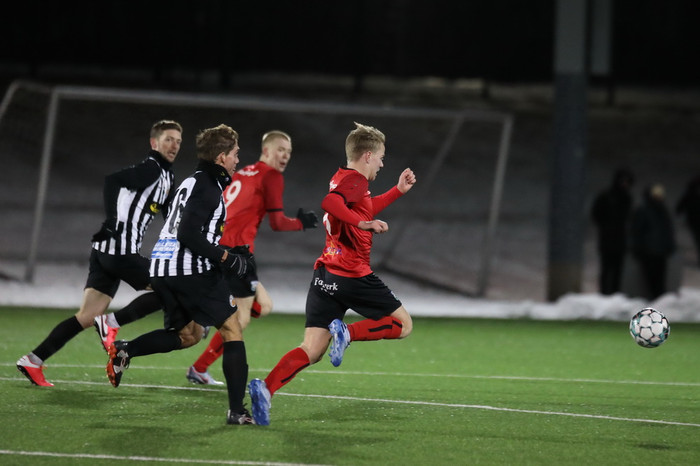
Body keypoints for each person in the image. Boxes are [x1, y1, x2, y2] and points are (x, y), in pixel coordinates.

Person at [247, 122, 417, 426]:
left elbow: (362, 207)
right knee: (403, 325)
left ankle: (266, 389)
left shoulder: (342, 177)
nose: (382, 164)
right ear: (367, 155)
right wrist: (363, 225)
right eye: (381, 158)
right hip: (352, 275)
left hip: (325, 276)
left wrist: (397, 191)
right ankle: (348, 333)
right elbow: (330, 203)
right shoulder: (356, 181)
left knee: (311, 350)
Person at [105, 124, 256, 425]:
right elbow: (187, 233)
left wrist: (228, 249)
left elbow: (186, 228)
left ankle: (125, 350)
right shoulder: (209, 187)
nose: (238, 160)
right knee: (232, 329)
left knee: (189, 335)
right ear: (221, 157)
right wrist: (226, 258)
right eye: (235, 154)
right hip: (188, 271)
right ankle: (237, 411)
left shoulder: (191, 181)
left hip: (163, 267)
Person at [16, 120, 182, 387]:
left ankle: (33, 360)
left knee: (86, 316)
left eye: (178, 141)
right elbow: (113, 181)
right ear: (154, 143)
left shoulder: (167, 176)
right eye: (168, 139)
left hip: (105, 251)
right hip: (120, 250)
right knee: (171, 286)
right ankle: (111, 323)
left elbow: (170, 215)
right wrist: (114, 219)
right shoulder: (151, 169)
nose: (174, 145)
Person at [186, 130, 318, 386]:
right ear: (266, 150)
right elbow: (277, 223)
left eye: (289, 152)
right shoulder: (272, 176)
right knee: (242, 318)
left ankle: (208, 325)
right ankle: (200, 363)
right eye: (280, 150)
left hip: (220, 246)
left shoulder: (245, 171)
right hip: (236, 251)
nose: (285, 156)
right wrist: (301, 223)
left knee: (264, 305)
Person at [590, 168, 635, 295]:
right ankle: (605, 293)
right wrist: (606, 226)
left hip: (618, 238)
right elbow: (596, 214)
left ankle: (614, 293)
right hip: (608, 238)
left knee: (617, 269)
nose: (625, 184)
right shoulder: (607, 196)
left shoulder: (626, 198)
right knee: (607, 268)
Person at [630, 183, 677, 300]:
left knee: (659, 278)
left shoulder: (662, 210)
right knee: (651, 279)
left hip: (660, 251)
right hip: (649, 251)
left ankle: (659, 299)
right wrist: (638, 248)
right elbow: (637, 231)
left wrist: (670, 245)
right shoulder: (644, 210)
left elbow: (667, 230)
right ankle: (655, 299)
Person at [676, 175, 700, 266]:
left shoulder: (689, 195)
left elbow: (679, 208)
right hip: (694, 222)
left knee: (698, 240)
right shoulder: (690, 195)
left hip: (694, 222)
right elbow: (679, 208)